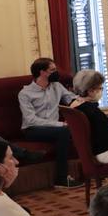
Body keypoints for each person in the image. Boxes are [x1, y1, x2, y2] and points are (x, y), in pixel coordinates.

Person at [18, 57, 82, 188]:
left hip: (54, 129)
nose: (56, 72)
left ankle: (92, 169)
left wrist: (84, 100)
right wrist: (60, 124)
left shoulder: (56, 86)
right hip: (32, 129)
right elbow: (31, 119)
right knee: (64, 131)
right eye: (52, 70)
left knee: (74, 129)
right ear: (42, 72)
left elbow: (72, 99)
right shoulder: (25, 93)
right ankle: (61, 178)